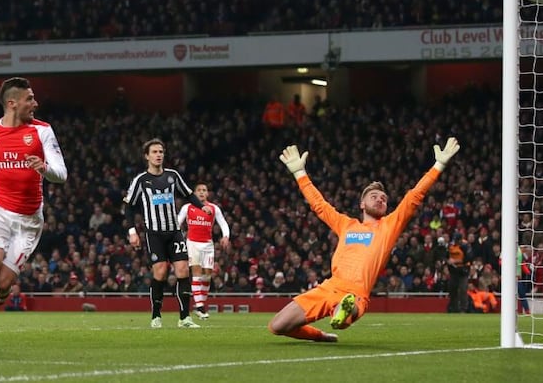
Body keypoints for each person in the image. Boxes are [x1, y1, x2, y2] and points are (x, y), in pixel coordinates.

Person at [267, 138, 460, 342]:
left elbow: (414, 197)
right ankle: (321, 335)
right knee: (277, 326)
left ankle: (344, 310)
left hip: (356, 293)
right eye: (374, 196)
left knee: (342, 315)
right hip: (328, 287)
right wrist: (299, 173)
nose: (380, 199)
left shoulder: (388, 227)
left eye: (384, 198)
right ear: (362, 204)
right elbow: (319, 205)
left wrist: (438, 166)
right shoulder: (346, 225)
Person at [0, 77, 68, 351]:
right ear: (12, 103)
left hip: (29, 220)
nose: (35, 103)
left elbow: (62, 175)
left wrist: (44, 168)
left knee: (5, 284)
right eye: (29, 99)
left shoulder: (42, 131)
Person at [123, 138, 211, 328]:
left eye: (161, 152)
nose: (158, 155)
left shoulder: (173, 176)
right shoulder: (140, 180)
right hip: (153, 234)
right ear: (147, 156)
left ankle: (184, 318)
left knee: (182, 270)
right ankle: (156, 315)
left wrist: (202, 206)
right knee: (161, 272)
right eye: (154, 152)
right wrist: (132, 232)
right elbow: (128, 207)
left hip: (174, 232)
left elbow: (188, 194)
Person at [177, 182, 231, 320]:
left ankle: (200, 303)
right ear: (194, 193)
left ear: (207, 193)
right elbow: (177, 222)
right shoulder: (187, 207)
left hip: (207, 245)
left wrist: (226, 236)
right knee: (196, 272)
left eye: (204, 190)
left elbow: (223, 223)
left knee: (207, 275)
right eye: (199, 190)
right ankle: (200, 307)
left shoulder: (213, 208)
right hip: (192, 243)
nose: (201, 192)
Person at [447, 231, 471, 313]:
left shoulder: (465, 246)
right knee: (452, 289)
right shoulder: (450, 245)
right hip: (454, 271)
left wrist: (455, 261)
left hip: (463, 270)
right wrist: (448, 261)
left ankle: (463, 309)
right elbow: (447, 255)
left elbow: (468, 258)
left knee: (463, 289)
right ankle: (453, 308)